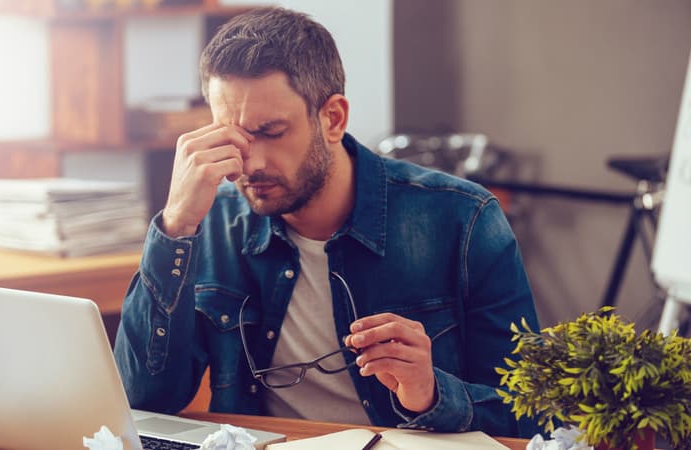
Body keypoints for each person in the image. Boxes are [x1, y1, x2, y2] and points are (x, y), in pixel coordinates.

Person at [114, 6, 540, 438]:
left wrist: (431, 393)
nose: (251, 162)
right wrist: (176, 226)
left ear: (333, 118)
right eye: (234, 135)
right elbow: (145, 401)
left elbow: (534, 417)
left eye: (272, 131)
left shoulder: (464, 219)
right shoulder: (212, 219)